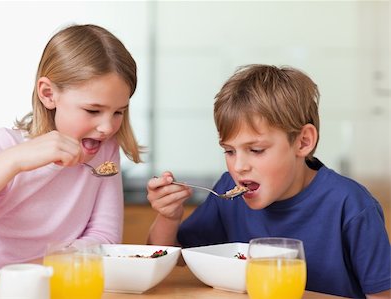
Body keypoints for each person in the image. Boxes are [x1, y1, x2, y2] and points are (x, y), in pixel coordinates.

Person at [146, 64, 390, 299]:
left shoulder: (351, 205)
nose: (239, 166)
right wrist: (169, 216)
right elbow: (170, 255)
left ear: (303, 142)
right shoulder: (227, 193)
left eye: (256, 150)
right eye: (229, 151)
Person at [0, 24, 143, 299]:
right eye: (93, 110)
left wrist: (31, 273)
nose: (108, 127)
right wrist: (12, 161)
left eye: (119, 111)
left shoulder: (105, 153)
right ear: (48, 94)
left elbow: (104, 238)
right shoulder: (7, 146)